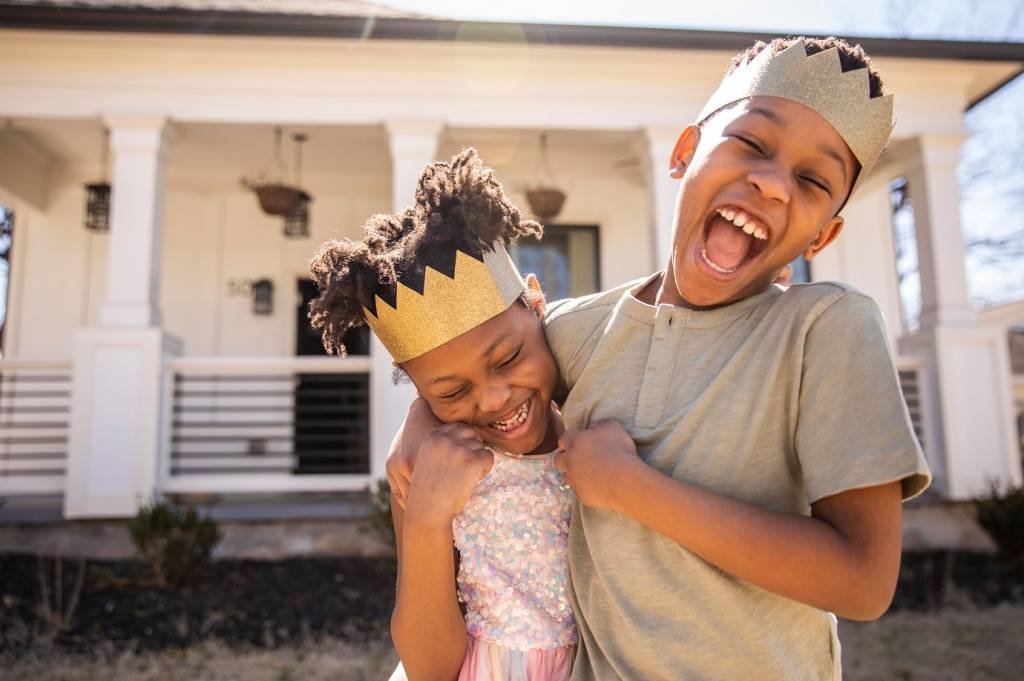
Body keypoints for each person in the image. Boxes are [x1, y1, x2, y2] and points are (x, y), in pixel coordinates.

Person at [389, 37, 932, 680]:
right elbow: (481, 368)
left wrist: (632, 489)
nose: (772, 183)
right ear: (683, 154)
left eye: (814, 181)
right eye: (752, 144)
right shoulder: (578, 332)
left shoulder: (825, 329)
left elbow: (864, 580)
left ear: (824, 233)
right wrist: (418, 424)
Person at [308, 148, 577, 681]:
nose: (495, 398)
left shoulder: (596, 401)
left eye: (508, 358)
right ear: (420, 392)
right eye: (451, 392)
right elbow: (429, 668)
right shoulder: (429, 470)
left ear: (536, 303)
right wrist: (427, 514)